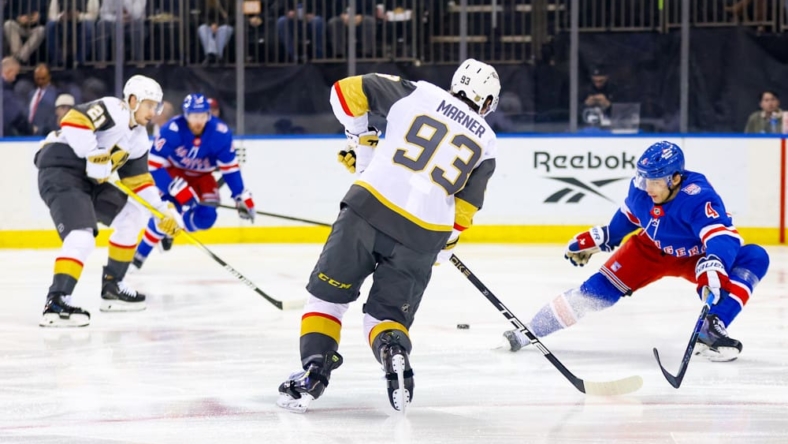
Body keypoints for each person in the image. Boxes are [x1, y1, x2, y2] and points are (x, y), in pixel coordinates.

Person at [276, 59, 501, 413]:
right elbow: (464, 210)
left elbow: (344, 93)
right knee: (387, 317)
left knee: (327, 299)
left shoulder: (419, 93)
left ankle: (314, 373)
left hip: (368, 209)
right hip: (425, 234)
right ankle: (393, 350)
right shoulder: (487, 141)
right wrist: (442, 249)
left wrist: (359, 138)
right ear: (487, 103)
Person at [502, 141, 770, 363]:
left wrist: (714, 262)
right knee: (594, 293)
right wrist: (607, 236)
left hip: (695, 256)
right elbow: (629, 215)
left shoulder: (699, 196)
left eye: (655, 181)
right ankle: (530, 331)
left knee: (755, 257)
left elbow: (721, 235)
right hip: (649, 250)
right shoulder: (641, 189)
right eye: (644, 179)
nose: (647, 187)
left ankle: (711, 328)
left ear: (676, 179)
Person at [34, 75, 182, 328]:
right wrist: (93, 153)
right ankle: (56, 302)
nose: (153, 111)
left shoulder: (138, 138)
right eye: (149, 104)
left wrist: (161, 210)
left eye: (157, 106)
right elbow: (73, 119)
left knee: (132, 214)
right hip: (61, 170)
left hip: (91, 180)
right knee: (81, 237)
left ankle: (113, 287)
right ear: (133, 100)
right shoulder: (115, 108)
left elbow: (138, 181)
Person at [132, 93, 255, 269]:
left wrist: (240, 195)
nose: (198, 121)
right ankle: (140, 255)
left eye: (203, 116)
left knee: (207, 217)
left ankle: (172, 231)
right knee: (167, 214)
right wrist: (172, 186)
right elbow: (153, 164)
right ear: (186, 115)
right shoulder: (172, 129)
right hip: (174, 174)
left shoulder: (220, 133)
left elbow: (230, 168)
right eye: (194, 116)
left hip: (203, 178)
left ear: (208, 115)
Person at [28, 64, 59, 135]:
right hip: (28, 133)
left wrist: (40, 129)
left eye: (43, 78)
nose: (40, 81)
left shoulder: (55, 94)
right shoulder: (31, 94)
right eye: (37, 78)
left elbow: (53, 117)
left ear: (49, 77)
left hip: (43, 134)